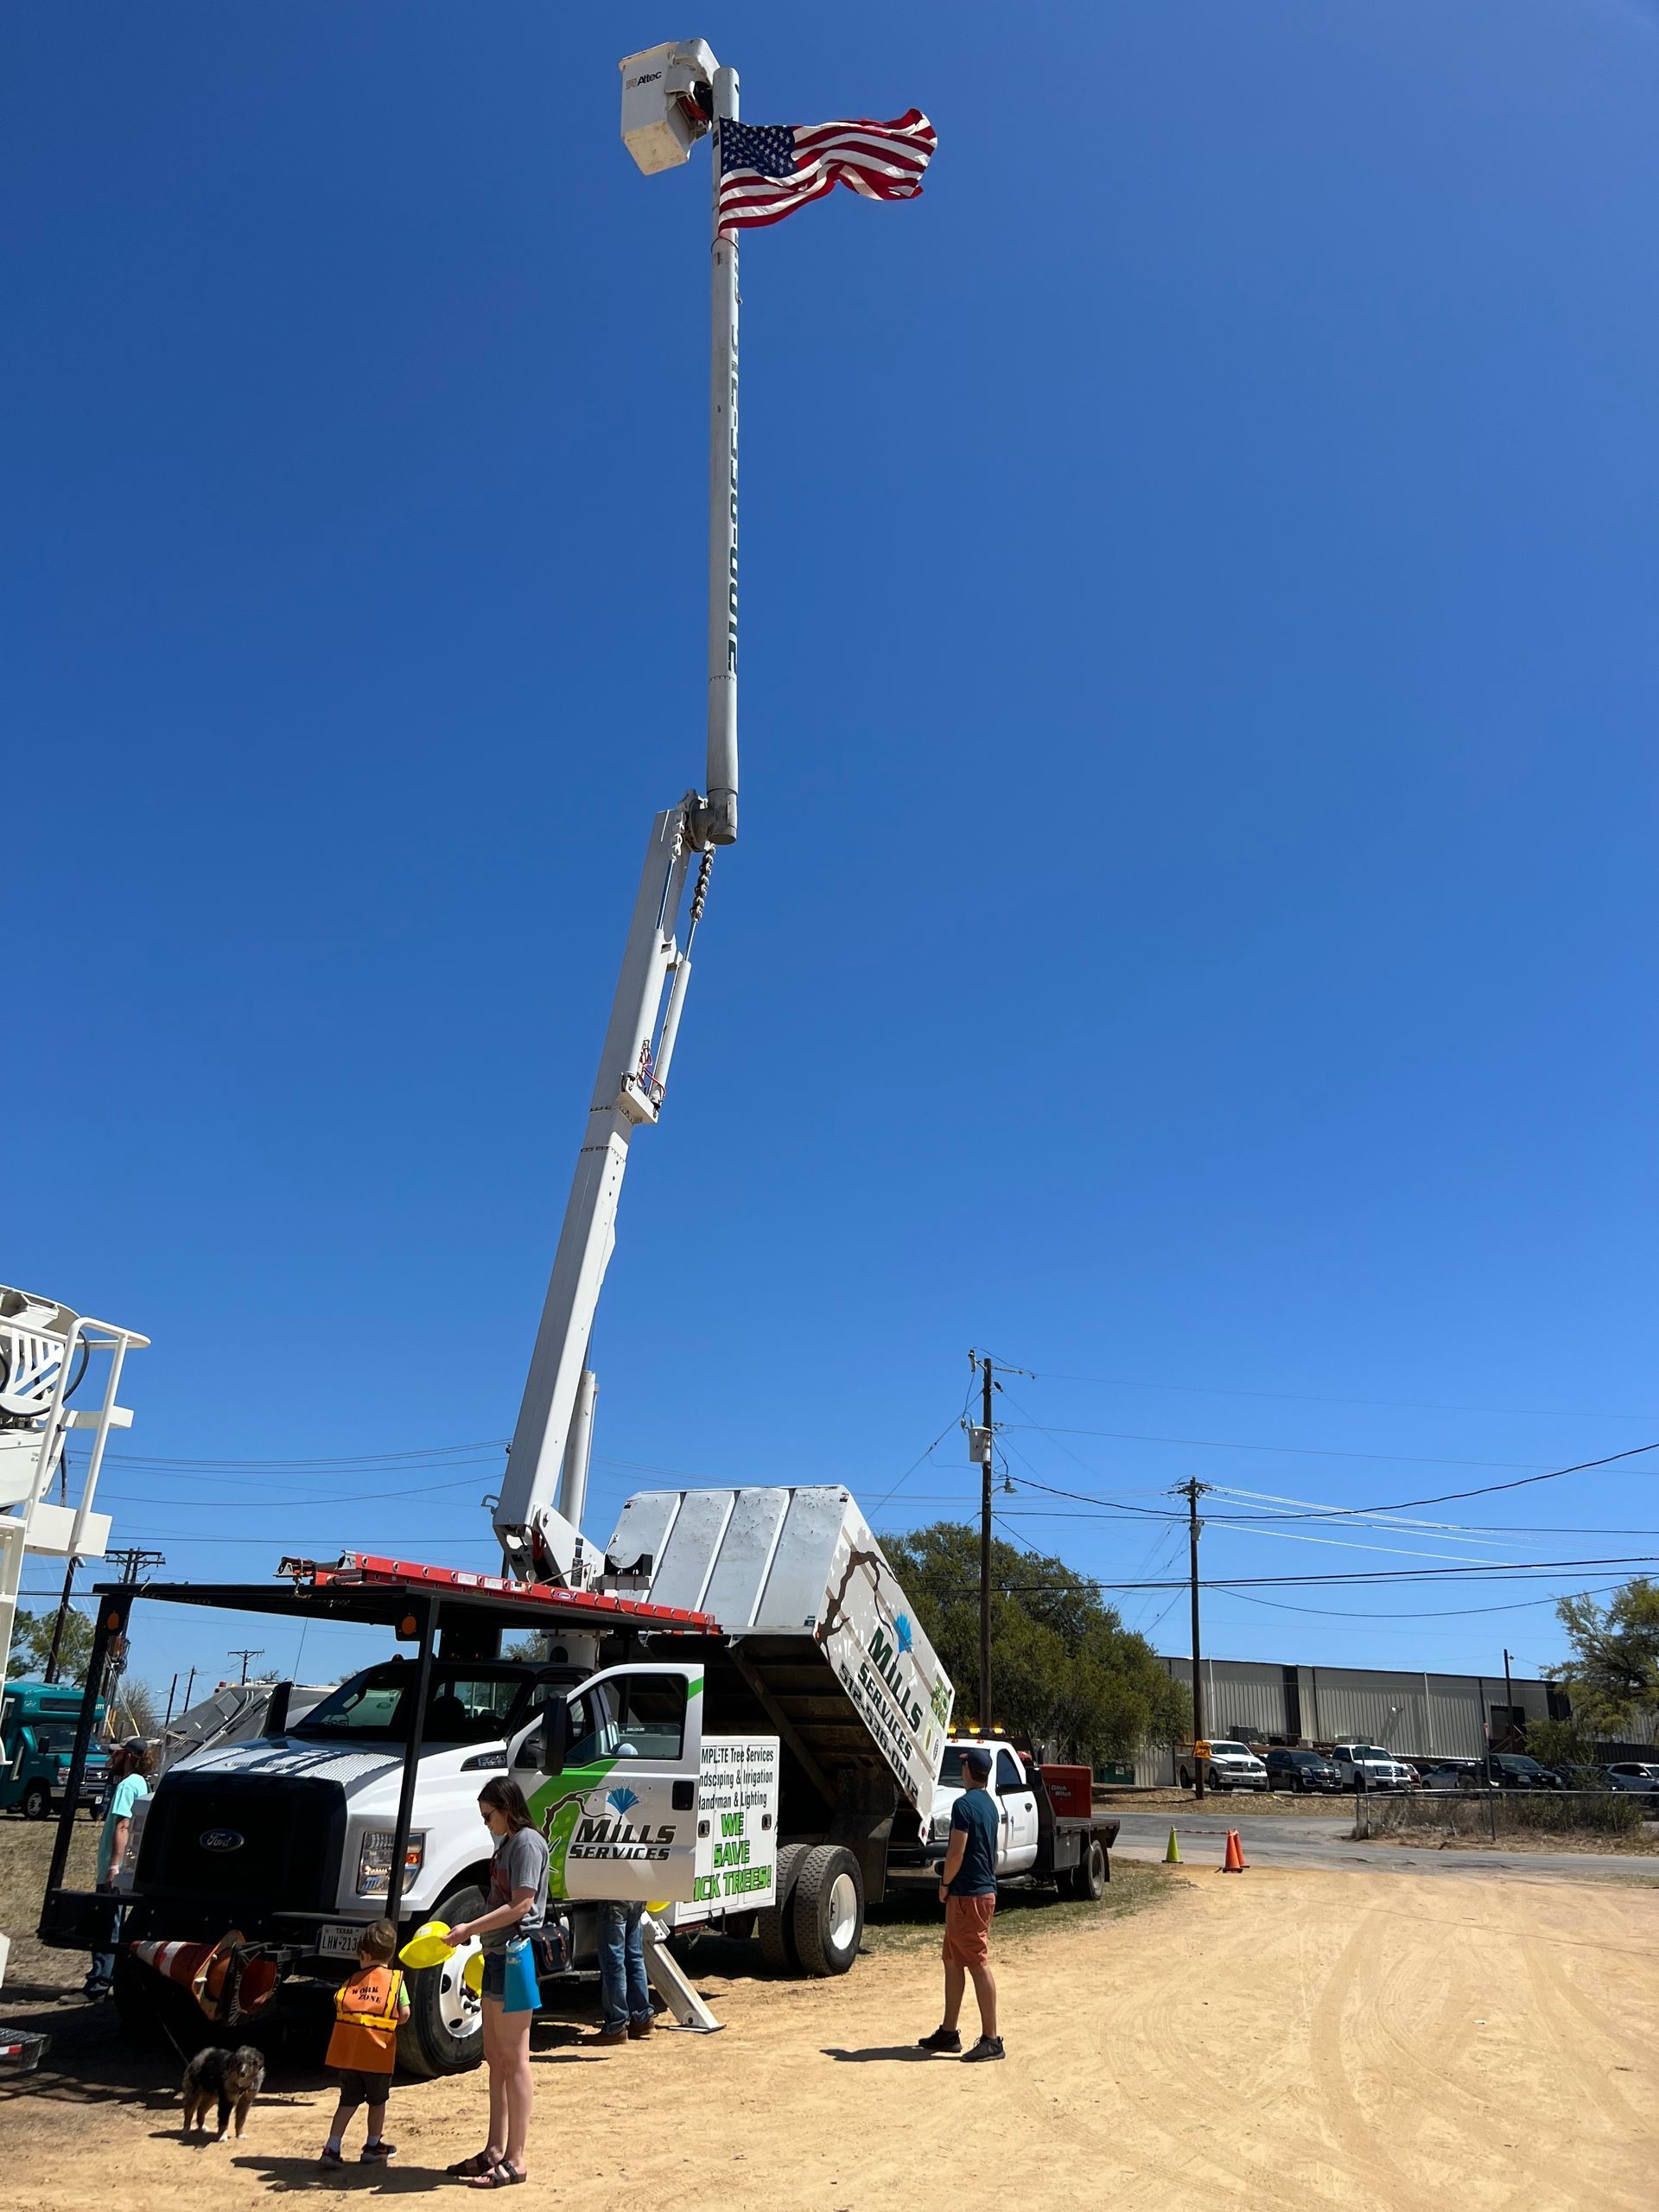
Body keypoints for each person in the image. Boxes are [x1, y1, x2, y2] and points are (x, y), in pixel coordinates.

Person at [442, 1777, 550, 2189]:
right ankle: (494, 2149)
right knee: (495, 2055)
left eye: (489, 1815)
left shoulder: (525, 1843)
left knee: (515, 2057)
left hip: (515, 1956)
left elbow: (522, 1904)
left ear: (507, 1807)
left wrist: (470, 1926)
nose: (487, 1823)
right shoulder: (507, 1843)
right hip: (495, 1957)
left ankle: (516, 2159)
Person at [918, 1743, 1003, 2062]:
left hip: (968, 1895)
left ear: (968, 1771)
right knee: (952, 1960)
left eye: (963, 1766)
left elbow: (956, 1852)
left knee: (978, 1962)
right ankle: (948, 2032)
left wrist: (945, 1882)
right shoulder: (990, 1806)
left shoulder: (963, 1806)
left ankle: (992, 2039)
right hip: (978, 1892)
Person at [320, 1919, 409, 2168]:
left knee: (347, 2102)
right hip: (377, 2058)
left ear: (363, 1954)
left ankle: (332, 2146)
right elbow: (405, 2013)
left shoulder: (351, 1982)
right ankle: (372, 2145)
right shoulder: (394, 1983)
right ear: (390, 1955)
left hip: (348, 2058)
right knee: (377, 2102)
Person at [84, 1738, 151, 2000]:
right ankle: (103, 1979)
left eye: (118, 1754)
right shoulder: (141, 1783)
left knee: (106, 1926)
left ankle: (99, 1984)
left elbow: (123, 1826)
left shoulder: (126, 1785)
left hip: (115, 1868)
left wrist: (113, 1865)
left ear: (129, 1757)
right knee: (112, 1924)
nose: (112, 1758)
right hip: (126, 1867)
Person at [594, 1899, 652, 2046]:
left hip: (614, 1897)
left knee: (613, 1962)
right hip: (635, 1894)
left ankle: (616, 2025)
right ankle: (642, 2018)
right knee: (634, 1957)